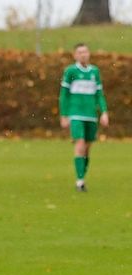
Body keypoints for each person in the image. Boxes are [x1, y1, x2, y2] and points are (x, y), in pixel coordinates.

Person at [59, 43, 108, 192]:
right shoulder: (70, 71)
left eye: (85, 51)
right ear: (75, 55)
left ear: (89, 54)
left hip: (91, 116)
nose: (83, 54)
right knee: (79, 144)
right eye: (80, 52)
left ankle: (82, 176)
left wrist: (104, 112)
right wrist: (64, 115)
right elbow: (64, 95)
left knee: (87, 149)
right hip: (75, 115)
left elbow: (99, 94)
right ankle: (79, 181)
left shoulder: (95, 71)